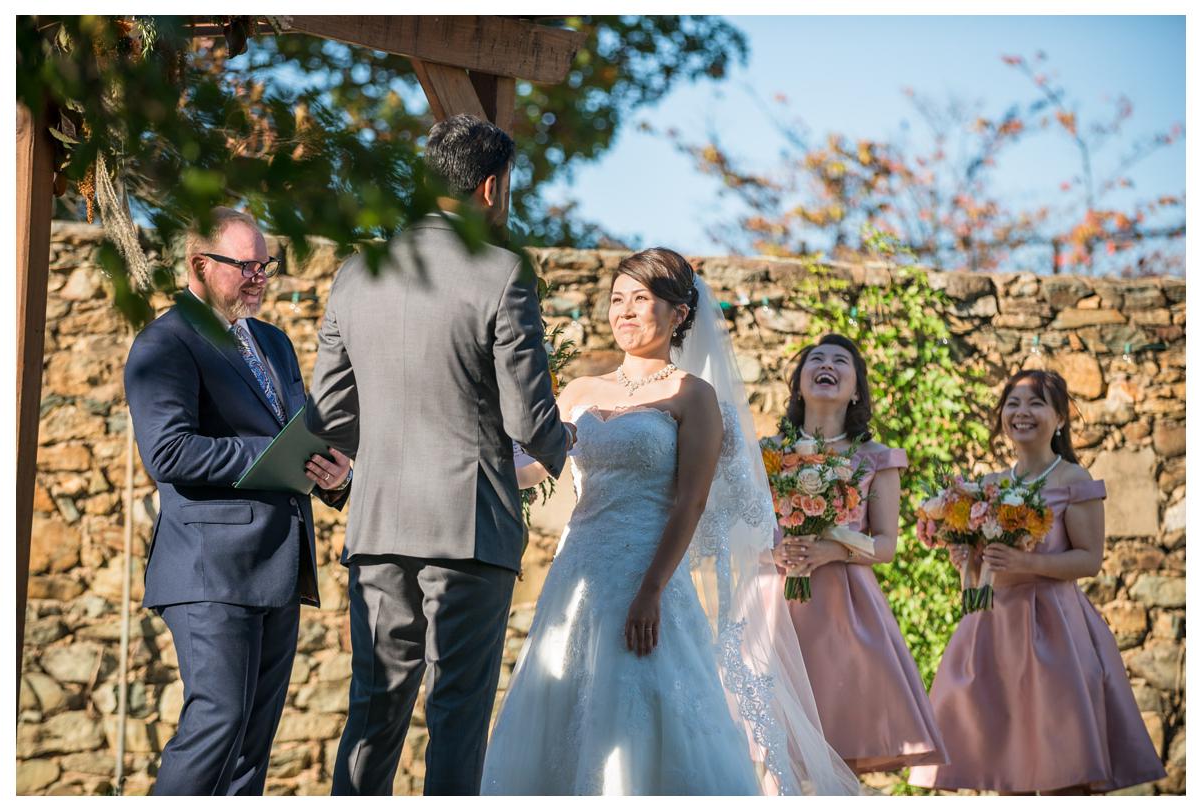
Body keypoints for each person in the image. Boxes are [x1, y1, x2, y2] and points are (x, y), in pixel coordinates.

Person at [483, 249, 863, 796]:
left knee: (645, 714)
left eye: (642, 299)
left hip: (650, 576)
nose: (626, 312)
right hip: (579, 574)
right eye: (618, 299)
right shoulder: (580, 393)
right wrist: (478, 457)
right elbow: (531, 469)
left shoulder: (692, 395)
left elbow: (691, 501)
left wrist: (652, 590)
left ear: (680, 313)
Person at [313, 114, 572, 796]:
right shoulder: (501, 271)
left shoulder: (354, 272)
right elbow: (528, 414)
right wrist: (563, 444)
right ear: (492, 188)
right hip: (469, 526)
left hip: (375, 526)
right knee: (457, 713)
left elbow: (332, 415)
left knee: (373, 709)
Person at [127, 206, 351, 796]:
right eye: (245, 265)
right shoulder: (166, 342)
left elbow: (298, 430)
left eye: (266, 265)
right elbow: (168, 453)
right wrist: (270, 452)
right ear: (200, 264)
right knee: (216, 726)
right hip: (210, 569)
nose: (260, 277)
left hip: (279, 565)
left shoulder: (274, 343)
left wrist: (331, 472)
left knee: (253, 744)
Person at [907, 370, 1166, 794]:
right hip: (994, 631)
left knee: (1063, 763)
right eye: (1013, 403)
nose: (1022, 412)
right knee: (1009, 763)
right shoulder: (988, 487)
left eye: (1036, 403)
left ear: (1060, 418)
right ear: (1001, 417)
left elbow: (1089, 560)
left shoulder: (1074, 482)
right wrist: (966, 561)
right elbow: (980, 571)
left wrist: (1023, 565)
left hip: (1056, 629)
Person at [771, 335, 947, 773]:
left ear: (856, 391)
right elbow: (742, 530)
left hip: (845, 612)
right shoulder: (767, 453)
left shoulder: (876, 457)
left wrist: (831, 550)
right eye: (816, 358)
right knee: (772, 746)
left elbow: (886, 544)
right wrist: (777, 551)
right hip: (773, 607)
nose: (826, 364)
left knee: (841, 734)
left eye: (839, 361)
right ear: (798, 384)